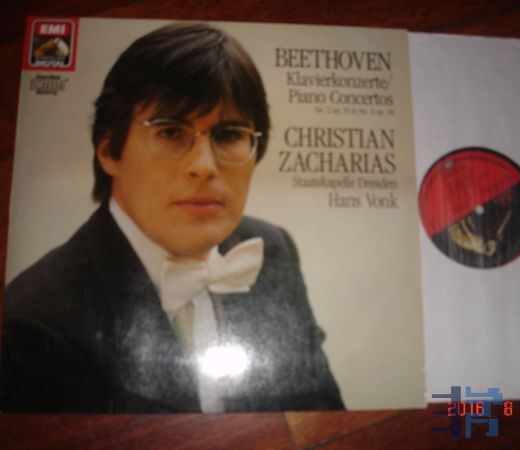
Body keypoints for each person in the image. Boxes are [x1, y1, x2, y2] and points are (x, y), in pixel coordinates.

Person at [1, 23, 344, 413]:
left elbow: (321, 420)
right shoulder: (34, 325)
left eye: (228, 134)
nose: (204, 166)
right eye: (169, 132)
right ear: (110, 151)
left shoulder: (272, 249)